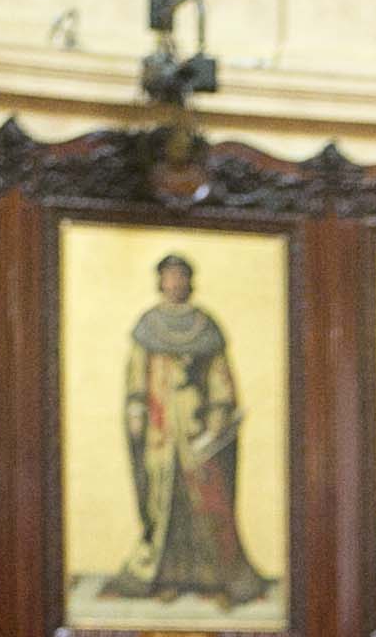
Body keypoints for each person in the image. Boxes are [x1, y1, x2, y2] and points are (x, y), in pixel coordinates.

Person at [102, 252, 269, 607]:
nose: (175, 283)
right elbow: (137, 373)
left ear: (189, 281)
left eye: (180, 276)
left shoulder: (204, 326)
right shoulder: (148, 325)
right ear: (160, 281)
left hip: (197, 429)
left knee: (207, 499)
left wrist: (218, 418)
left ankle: (214, 578)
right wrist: (135, 408)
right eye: (169, 276)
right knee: (164, 501)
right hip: (160, 433)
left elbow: (220, 378)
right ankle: (166, 577)